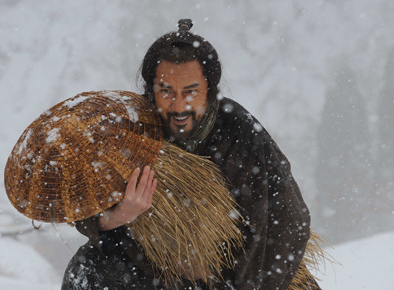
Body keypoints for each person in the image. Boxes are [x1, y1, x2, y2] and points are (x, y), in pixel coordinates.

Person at [62, 19, 316, 289]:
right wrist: (116, 216)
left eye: (191, 92)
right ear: (152, 90)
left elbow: (286, 221)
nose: (179, 106)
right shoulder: (133, 131)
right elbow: (84, 206)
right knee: (86, 270)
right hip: (155, 270)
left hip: (234, 278)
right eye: (167, 92)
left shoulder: (239, 133)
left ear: (209, 90)